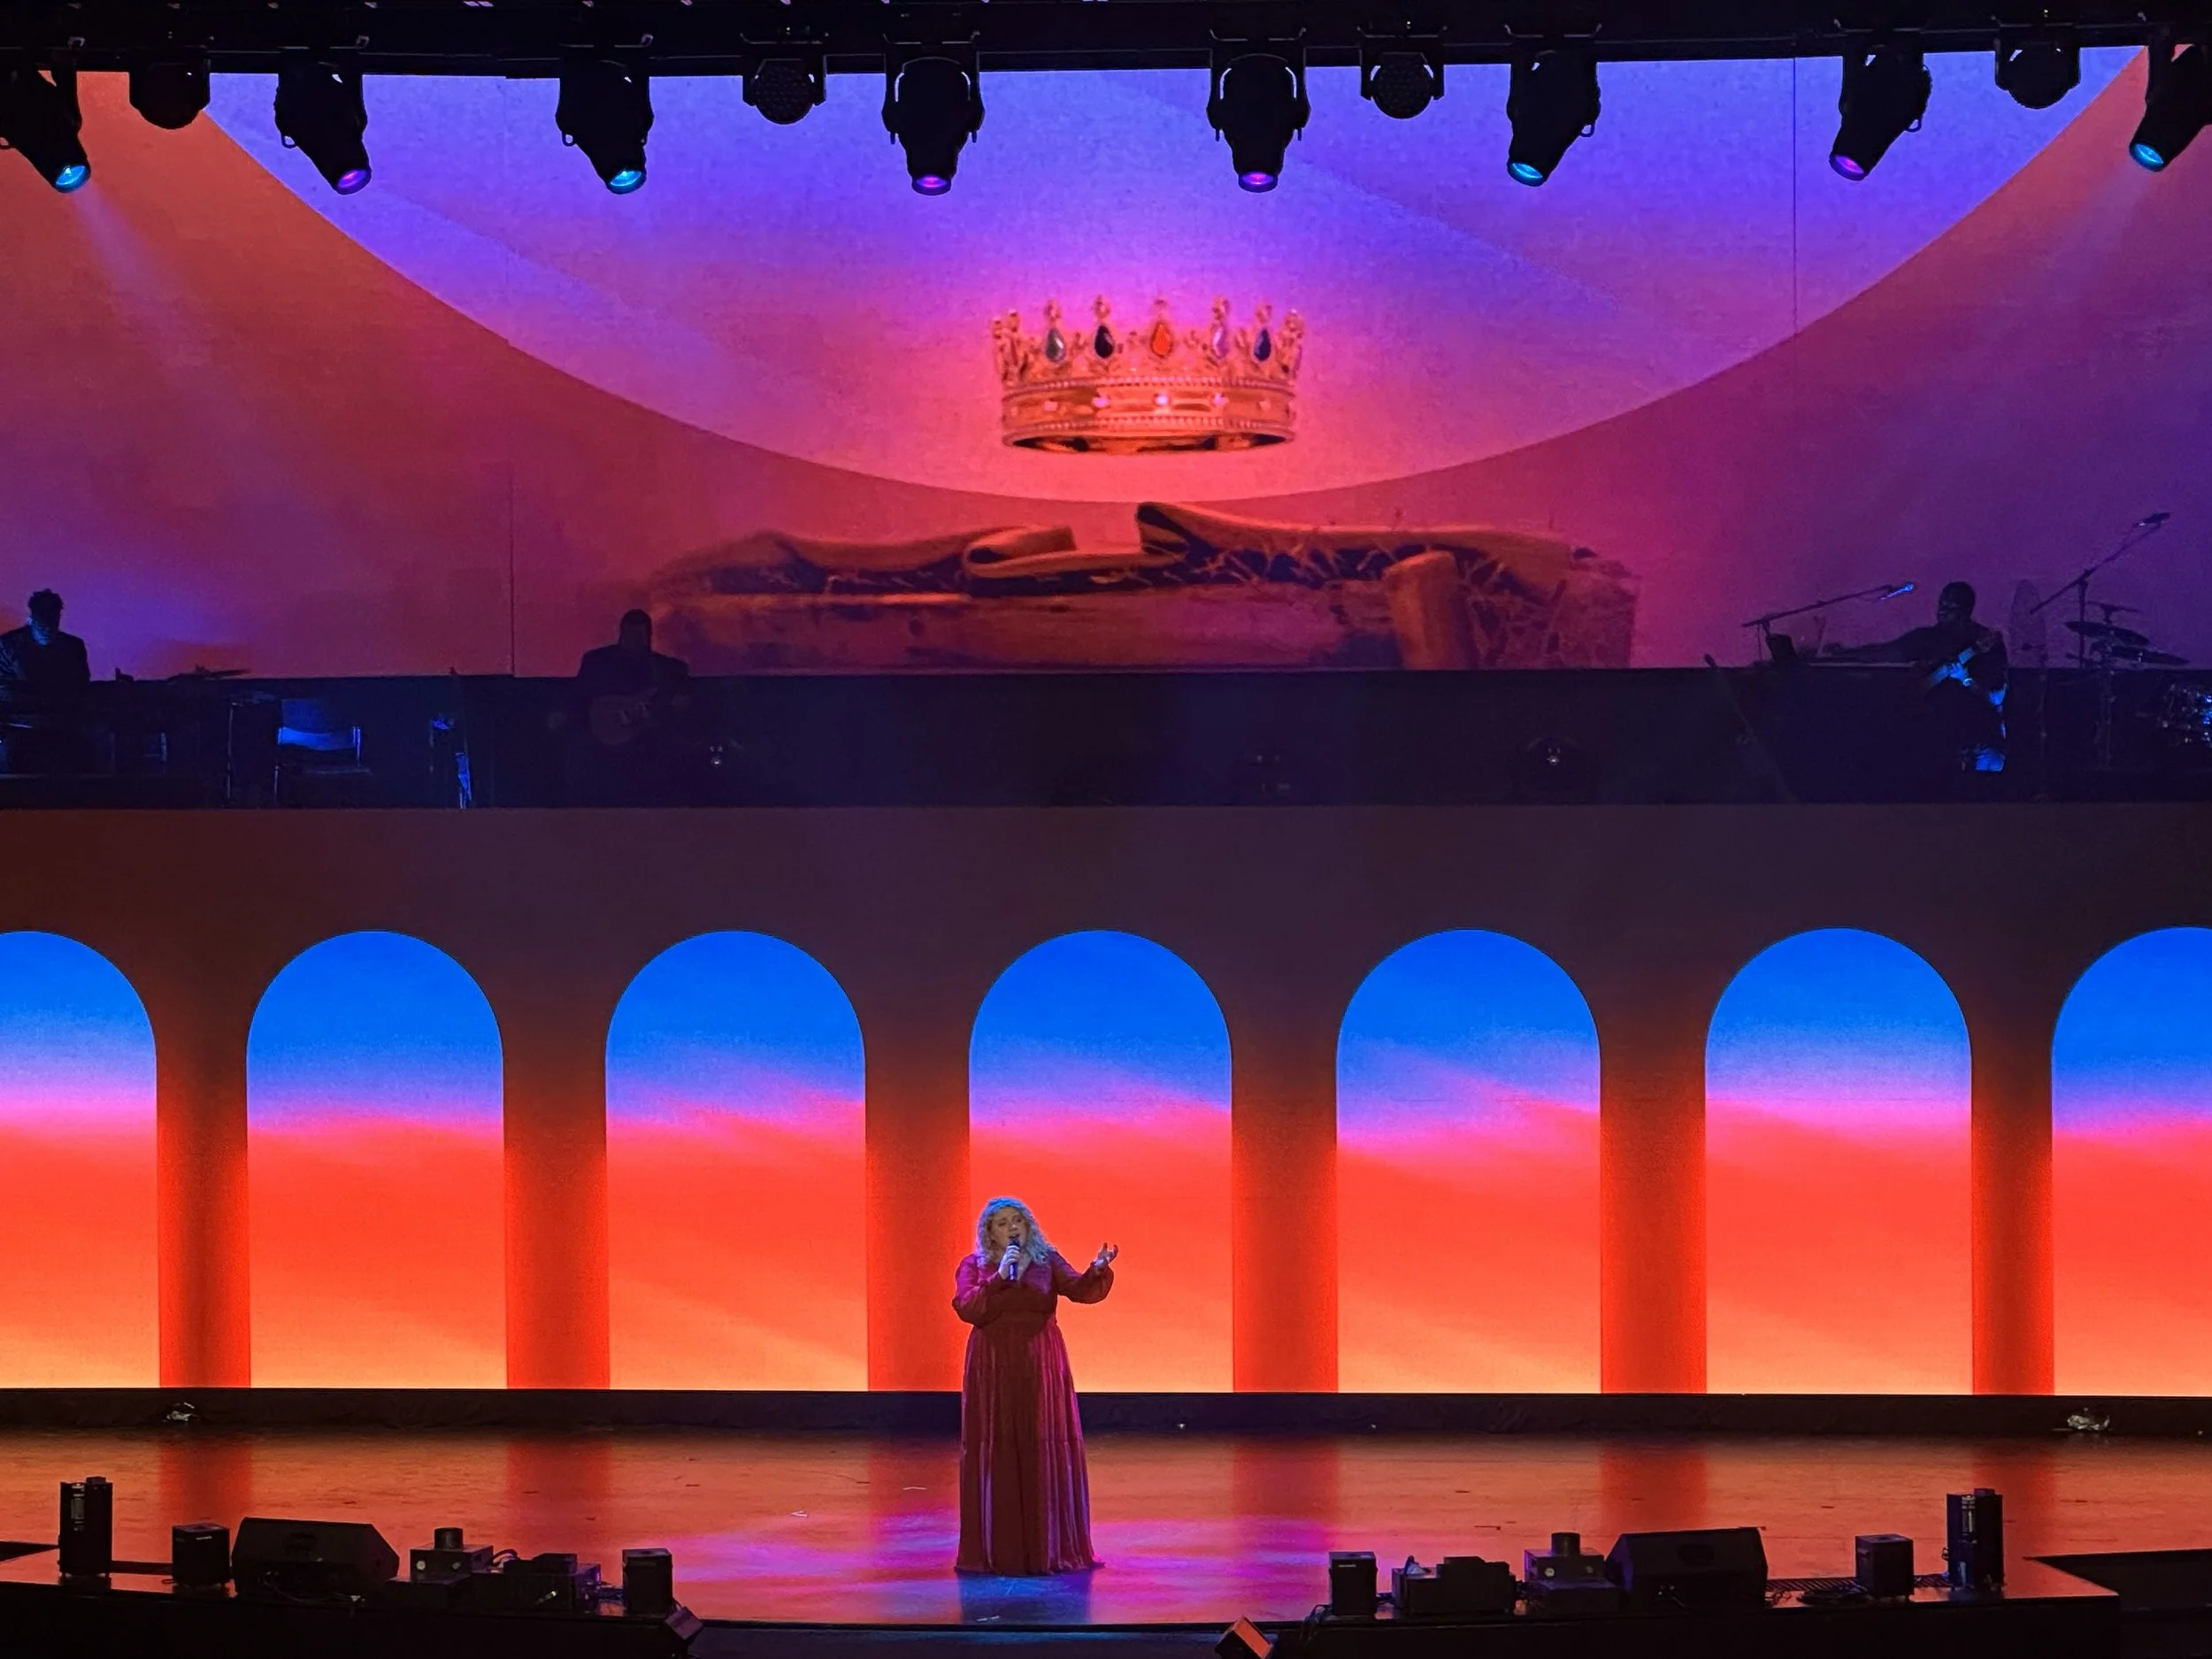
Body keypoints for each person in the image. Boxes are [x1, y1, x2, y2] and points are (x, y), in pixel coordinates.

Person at [953, 1198, 1118, 1576]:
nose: (1011, 1228)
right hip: (993, 1367)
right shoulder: (975, 1266)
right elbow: (969, 1308)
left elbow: (1079, 1289)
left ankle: (1048, 1545)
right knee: (1000, 1449)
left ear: (1028, 1225)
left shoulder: (1047, 1260)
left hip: (1040, 1364)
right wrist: (999, 1279)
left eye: (1017, 1221)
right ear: (989, 1233)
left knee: (1041, 1444)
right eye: (1001, 1223)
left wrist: (1096, 1270)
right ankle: (1001, 1548)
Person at [1827, 580, 2008, 774]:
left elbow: (1996, 697)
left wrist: (1966, 680)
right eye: (1941, 604)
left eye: (1950, 606)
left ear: (1966, 610)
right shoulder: (1927, 638)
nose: (1942, 610)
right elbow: (1886, 652)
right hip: (1935, 740)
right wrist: (1843, 653)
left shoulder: (1986, 644)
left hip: (1976, 742)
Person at [560, 609, 695, 803]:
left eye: (639, 636)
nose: (635, 641)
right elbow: (579, 697)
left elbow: (675, 706)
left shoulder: (667, 669)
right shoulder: (598, 662)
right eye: (630, 635)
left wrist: (671, 709)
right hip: (601, 736)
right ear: (621, 633)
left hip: (648, 737)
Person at [0, 589, 94, 773]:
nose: (47, 626)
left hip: (58, 728)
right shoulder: (7, 645)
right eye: (43, 618)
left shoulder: (73, 647)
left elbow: (81, 687)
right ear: (32, 616)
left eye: (52, 619)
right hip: (22, 729)